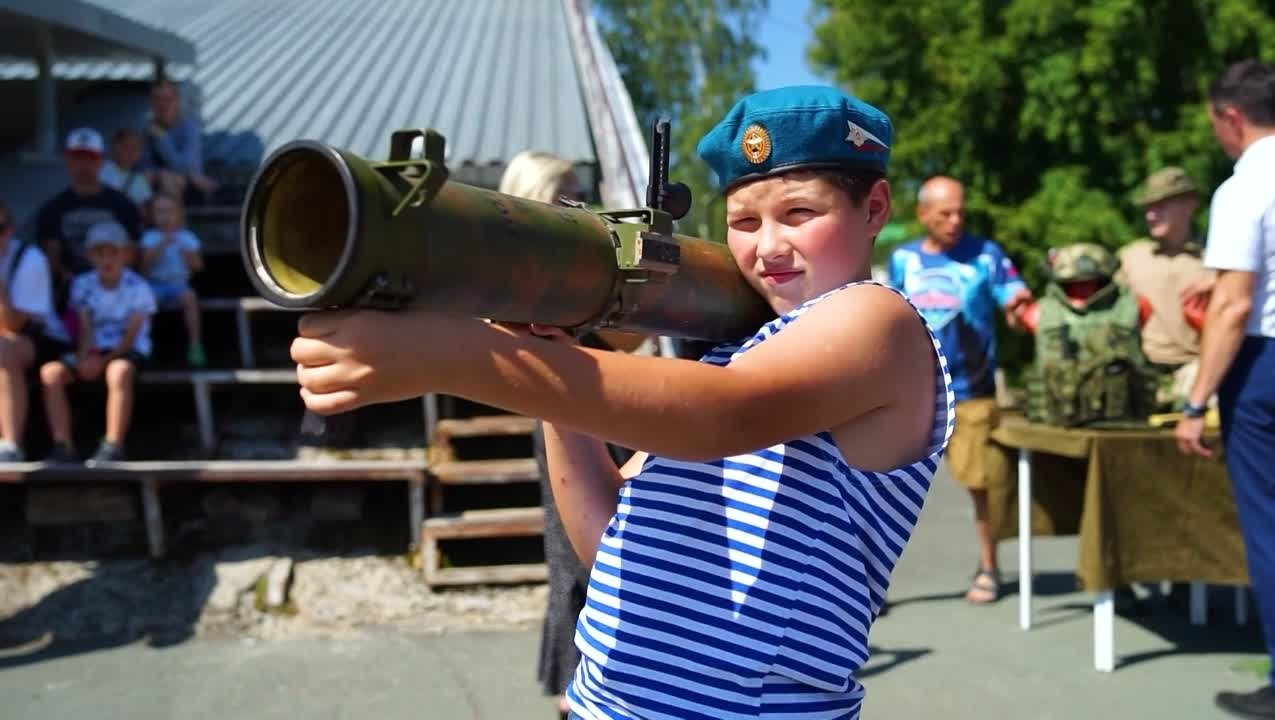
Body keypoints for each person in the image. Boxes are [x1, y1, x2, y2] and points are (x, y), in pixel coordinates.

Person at [289, 85, 954, 719]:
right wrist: (549, 349)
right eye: (743, 222)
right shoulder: (732, 355)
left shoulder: (880, 322)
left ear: (874, 209)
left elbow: (726, 414)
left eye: (800, 214)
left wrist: (452, 356)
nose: (767, 246)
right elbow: (610, 545)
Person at [495, 149, 636, 719]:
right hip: (568, 410)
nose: (581, 209)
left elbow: (623, 340)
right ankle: (573, 693)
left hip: (604, 407)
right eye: (565, 197)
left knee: (604, 545)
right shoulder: (517, 278)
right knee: (576, 560)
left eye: (581, 196)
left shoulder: (577, 269)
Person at [1175, 59, 1275, 720]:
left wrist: (1194, 403)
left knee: (1271, 528)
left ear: (1232, 117)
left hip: (1266, 364)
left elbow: (1235, 308)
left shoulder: (1245, 188)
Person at [887, 176, 1032, 604]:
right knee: (880, 485)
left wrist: (1023, 308)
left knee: (980, 482)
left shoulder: (986, 256)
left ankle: (989, 566)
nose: (954, 221)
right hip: (913, 391)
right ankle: (864, 584)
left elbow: (1015, 294)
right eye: (944, 213)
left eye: (960, 212)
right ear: (923, 214)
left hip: (972, 390)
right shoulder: (903, 260)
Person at [40, 220, 156, 465]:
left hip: (126, 352)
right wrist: (84, 359)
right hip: (91, 352)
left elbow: (130, 337)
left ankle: (113, 445)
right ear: (90, 255)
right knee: (50, 373)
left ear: (125, 254)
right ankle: (63, 446)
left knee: (119, 371)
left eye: (113, 253)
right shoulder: (82, 285)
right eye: (99, 253)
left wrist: (102, 361)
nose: (107, 260)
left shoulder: (140, 288)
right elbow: (85, 329)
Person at [1116, 166, 1217, 407]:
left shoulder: (1217, 259)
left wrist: (1219, 282)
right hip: (1140, 373)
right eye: (1147, 208)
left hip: (1197, 372)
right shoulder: (1130, 258)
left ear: (1189, 205)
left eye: (1160, 205)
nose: (1151, 215)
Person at [35, 127, 143, 311]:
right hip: (72, 292)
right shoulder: (52, 209)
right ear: (67, 161)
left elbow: (133, 253)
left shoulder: (124, 205)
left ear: (101, 161)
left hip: (118, 292)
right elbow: (51, 259)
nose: (83, 165)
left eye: (90, 158)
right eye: (77, 158)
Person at [0, 199, 72, 462]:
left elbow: (12, 325)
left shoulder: (30, 259)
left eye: (1, 227)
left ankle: (9, 445)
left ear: (10, 228)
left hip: (43, 340)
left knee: (4, 348)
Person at [139, 192, 207, 367]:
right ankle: (143, 345)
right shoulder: (149, 238)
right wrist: (160, 246)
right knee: (144, 303)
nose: (165, 216)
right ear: (152, 216)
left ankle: (195, 344)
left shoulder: (187, 238)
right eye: (160, 212)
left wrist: (188, 255)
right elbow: (144, 268)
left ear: (178, 214)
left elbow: (198, 267)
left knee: (190, 299)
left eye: (170, 211)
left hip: (179, 285)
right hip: (154, 286)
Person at [140, 77, 218, 200]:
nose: (162, 105)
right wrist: (158, 173)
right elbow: (142, 166)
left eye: (167, 99)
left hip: (192, 190)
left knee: (169, 179)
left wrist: (162, 138)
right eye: (157, 99)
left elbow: (186, 167)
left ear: (177, 101)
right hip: (155, 188)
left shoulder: (190, 127)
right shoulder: (147, 128)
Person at [100, 128, 154, 212]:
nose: (131, 152)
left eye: (136, 149)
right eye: (126, 146)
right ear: (114, 146)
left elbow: (145, 209)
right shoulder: (97, 169)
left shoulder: (140, 181)